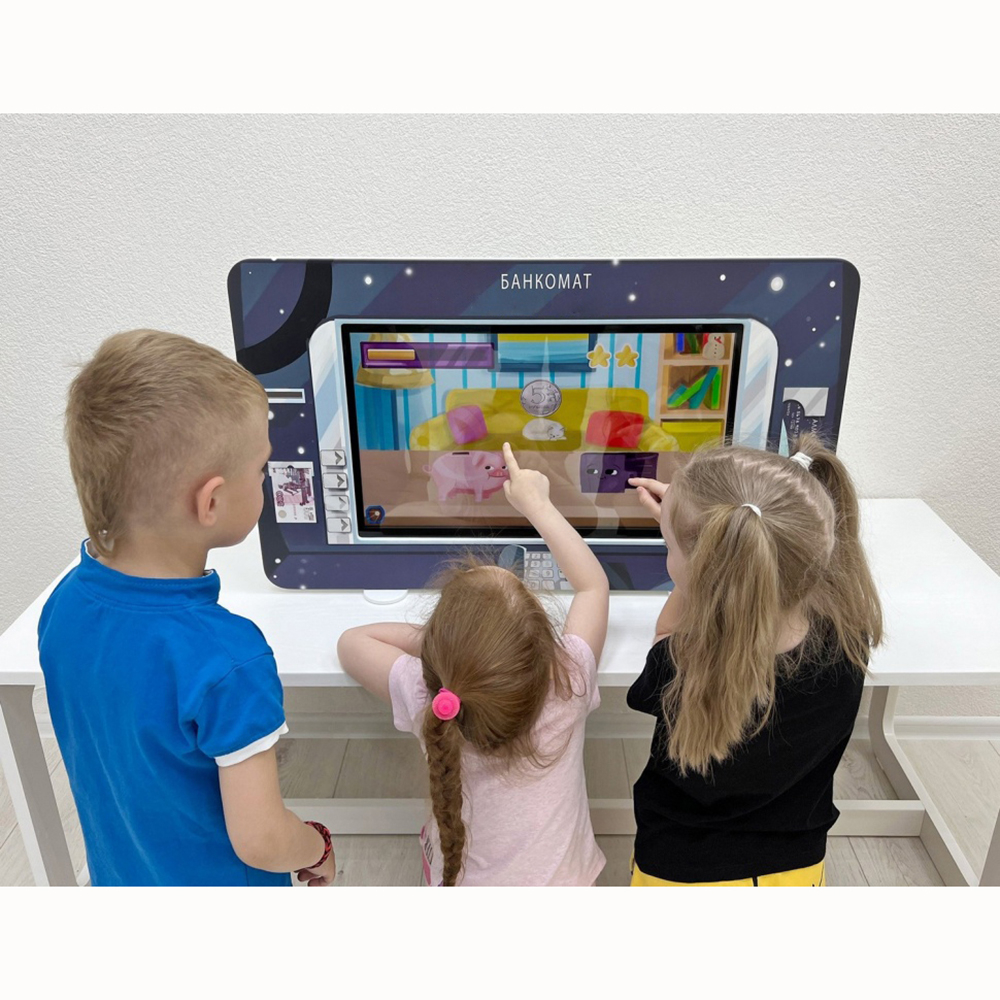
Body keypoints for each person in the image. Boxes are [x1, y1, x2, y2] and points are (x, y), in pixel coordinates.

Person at [38, 329, 335, 886]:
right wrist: (316, 845)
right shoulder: (229, 659)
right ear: (211, 501)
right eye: (262, 468)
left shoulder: (64, 603)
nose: (267, 479)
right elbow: (263, 840)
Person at [337, 443, 608, 886]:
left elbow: (353, 642)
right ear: (544, 645)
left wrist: (446, 648)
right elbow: (593, 586)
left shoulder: (428, 694)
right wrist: (538, 505)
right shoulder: (568, 679)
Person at [626, 433, 883, 886]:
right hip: (798, 866)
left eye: (669, 548)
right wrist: (696, 530)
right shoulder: (848, 637)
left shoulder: (683, 666)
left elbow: (666, 635)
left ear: (707, 573)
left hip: (681, 872)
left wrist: (692, 547)